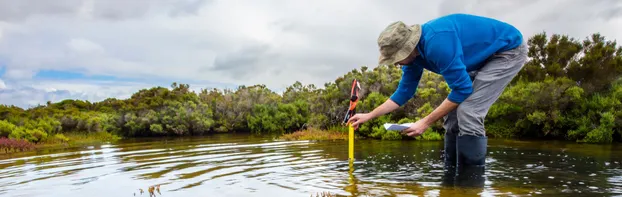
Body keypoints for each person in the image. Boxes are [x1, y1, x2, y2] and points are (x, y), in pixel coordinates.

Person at [347, 13, 528, 168]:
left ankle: (470, 183)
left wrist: (425, 122)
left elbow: (462, 89)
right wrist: (369, 115)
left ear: (408, 49)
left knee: (469, 111)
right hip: (481, 58)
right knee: (452, 117)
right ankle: (450, 177)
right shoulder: (413, 58)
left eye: (397, 58)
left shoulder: (437, 44)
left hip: (506, 51)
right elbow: (404, 92)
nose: (396, 62)